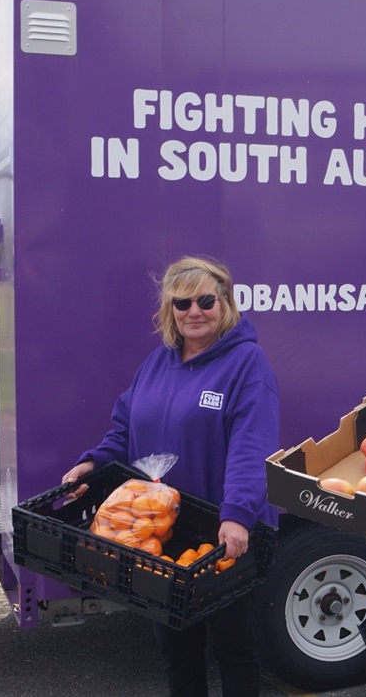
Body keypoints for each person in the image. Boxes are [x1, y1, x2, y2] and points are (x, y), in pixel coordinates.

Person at [62, 256, 279, 697]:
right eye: (183, 303)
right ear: (170, 312)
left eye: (205, 300)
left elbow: (251, 447)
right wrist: (92, 463)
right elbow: (125, 429)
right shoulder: (157, 363)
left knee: (235, 651)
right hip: (159, 529)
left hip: (223, 530)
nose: (194, 311)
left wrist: (237, 514)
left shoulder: (246, 363)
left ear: (225, 304)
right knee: (176, 650)